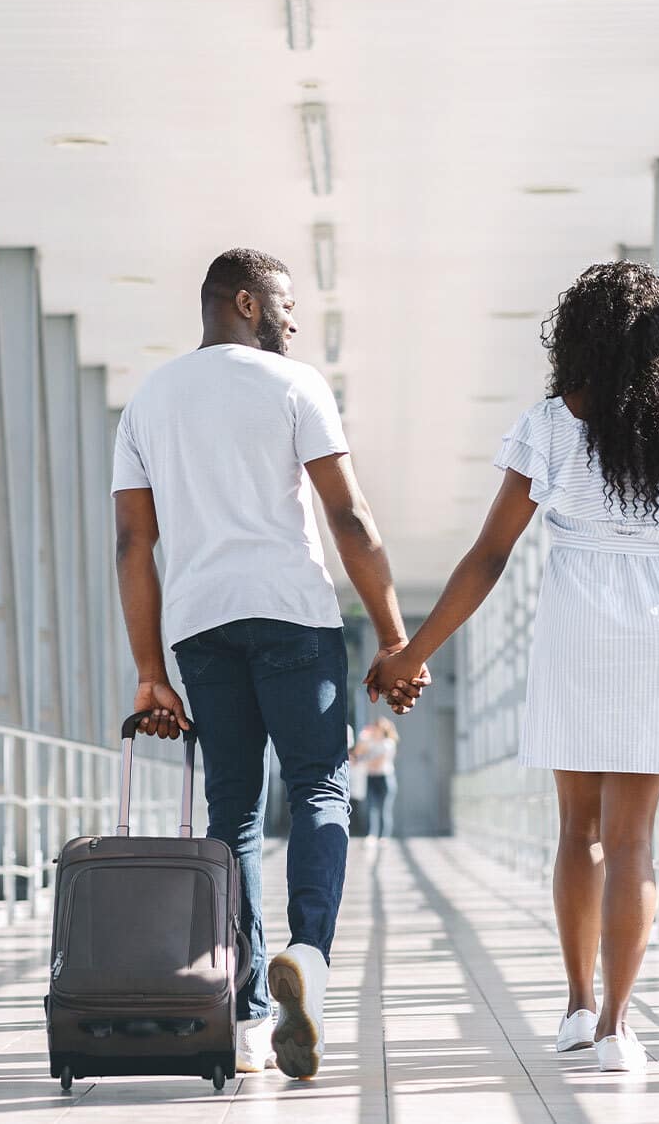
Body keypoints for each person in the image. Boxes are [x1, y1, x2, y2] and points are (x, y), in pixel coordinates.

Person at [367, 261, 659, 1076]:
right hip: (650, 639)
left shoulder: (550, 425)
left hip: (573, 637)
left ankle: (578, 1005)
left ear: (577, 337)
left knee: (577, 833)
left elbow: (489, 556)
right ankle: (621, 1025)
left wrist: (414, 651)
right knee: (632, 843)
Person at [111, 248, 428, 1080]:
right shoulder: (295, 387)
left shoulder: (150, 399)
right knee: (320, 787)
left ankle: (250, 1016)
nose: (294, 321)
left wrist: (150, 669)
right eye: (286, 305)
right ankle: (310, 961)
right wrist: (396, 640)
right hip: (293, 616)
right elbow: (349, 518)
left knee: (235, 814)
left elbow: (133, 543)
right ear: (244, 302)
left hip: (201, 627)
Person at [351, 717, 398, 842]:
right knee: (371, 807)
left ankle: (384, 836)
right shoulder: (369, 741)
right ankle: (371, 835)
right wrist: (363, 738)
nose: (375, 730)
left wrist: (362, 762)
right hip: (371, 778)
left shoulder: (388, 743)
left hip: (385, 778)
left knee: (384, 809)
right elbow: (356, 754)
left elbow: (377, 763)